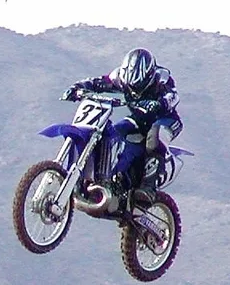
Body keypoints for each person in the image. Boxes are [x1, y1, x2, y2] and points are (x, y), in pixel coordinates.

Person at [62, 47, 183, 197]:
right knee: (114, 132)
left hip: (165, 119)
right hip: (139, 118)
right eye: (131, 87)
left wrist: (160, 103)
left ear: (150, 75)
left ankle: (148, 187)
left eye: (139, 86)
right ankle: (107, 178)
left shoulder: (162, 78)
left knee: (154, 137)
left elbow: (173, 96)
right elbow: (98, 82)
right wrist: (78, 87)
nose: (134, 91)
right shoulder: (120, 77)